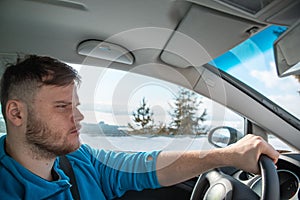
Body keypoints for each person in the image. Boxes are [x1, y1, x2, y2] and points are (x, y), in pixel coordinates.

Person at [0, 55, 279, 199]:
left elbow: (143, 165)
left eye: (77, 107)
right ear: (16, 113)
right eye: (63, 107)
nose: (79, 118)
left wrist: (226, 155)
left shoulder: (77, 160)